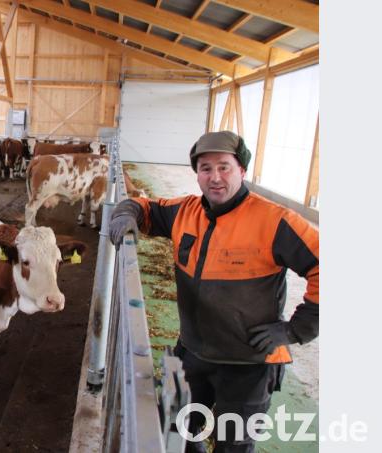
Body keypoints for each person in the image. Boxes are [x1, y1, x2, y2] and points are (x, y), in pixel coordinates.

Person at [108, 131, 319, 453]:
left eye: (224, 167)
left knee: (234, 445)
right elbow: (143, 206)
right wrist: (126, 214)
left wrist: (295, 329)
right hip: (194, 356)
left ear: (242, 171)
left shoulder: (275, 221)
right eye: (205, 168)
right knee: (182, 438)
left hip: (249, 364)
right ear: (197, 174)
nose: (215, 177)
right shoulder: (185, 212)